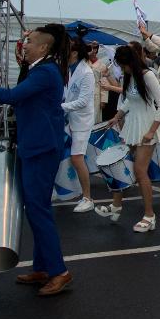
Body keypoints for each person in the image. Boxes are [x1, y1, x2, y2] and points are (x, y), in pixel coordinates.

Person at [0, 24, 72, 296]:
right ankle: (43, 267)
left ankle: (59, 271)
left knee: (38, 210)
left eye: (31, 41)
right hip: (36, 146)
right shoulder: (41, 68)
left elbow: (13, 97)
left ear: (44, 47)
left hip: (41, 149)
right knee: (37, 208)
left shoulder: (46, 71)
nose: (26, 44)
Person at [96, 44, 160, 232]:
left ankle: (150, 216)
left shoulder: (148, 75)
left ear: (129, 62)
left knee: (140, 171)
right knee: (122, 166)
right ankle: (116, 206)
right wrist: (116, 117)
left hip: (146, 129)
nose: (122, 69)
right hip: (132, 127)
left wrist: (152, 131)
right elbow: (128, 100)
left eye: (123, 65)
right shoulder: (130, 76)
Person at [61, 39, 98, 213]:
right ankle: (65, 190)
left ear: (74, 53)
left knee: (77, 158)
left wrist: (60, 107)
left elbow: (83, 101)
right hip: (69, 119)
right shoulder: (70, 69)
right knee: (65, 155)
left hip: (82, 121)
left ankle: (87, 198)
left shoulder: (87, 72)